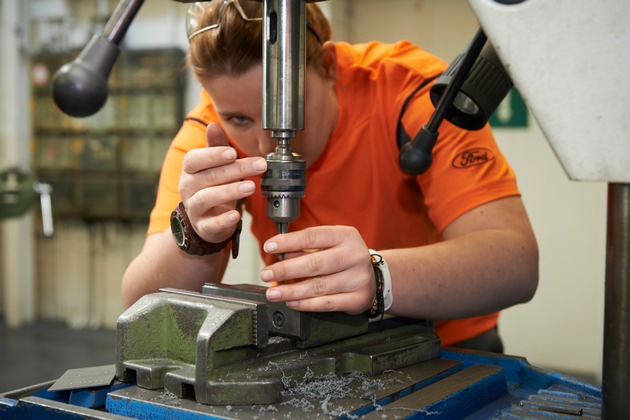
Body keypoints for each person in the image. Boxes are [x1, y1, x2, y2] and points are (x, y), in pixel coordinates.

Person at [121, 0, 538, 352]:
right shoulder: (210, 131)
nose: (267, 145)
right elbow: (140, 307)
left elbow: (514, 264)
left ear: (328, 67)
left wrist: (379, 277)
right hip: (309, 345)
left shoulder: (407, 90)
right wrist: (194, 235)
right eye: (241, 119)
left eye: (286, 113)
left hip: (446, 347)